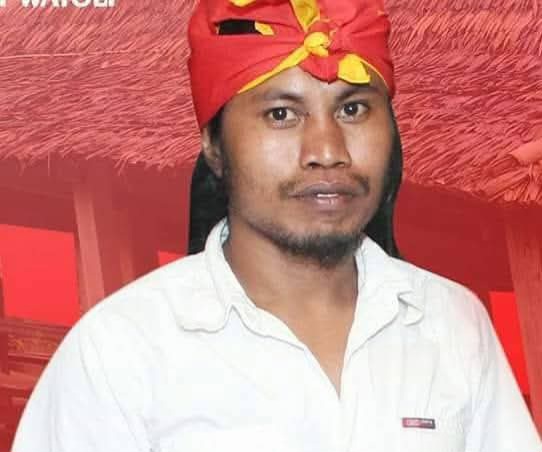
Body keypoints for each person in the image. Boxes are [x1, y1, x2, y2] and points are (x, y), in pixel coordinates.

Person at [11, 0, 542, 451]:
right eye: (281, 115)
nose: (327, 151)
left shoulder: (451, 325)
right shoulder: (119, 351)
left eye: (353, 109)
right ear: (214, 146)